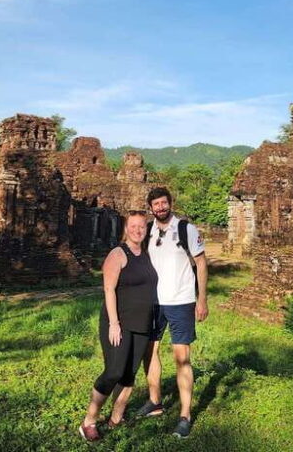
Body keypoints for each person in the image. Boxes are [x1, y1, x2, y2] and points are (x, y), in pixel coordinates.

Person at [136, 187, 208, 439]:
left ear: (170, 203)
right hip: (154, 302)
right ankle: (155, 401)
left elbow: (200, 262)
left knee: (181, 357)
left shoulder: (186, 228)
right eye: (156, 204)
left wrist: (202, 299)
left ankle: (185, 415)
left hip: (180, 300)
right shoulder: (148, 231)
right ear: (151, 207)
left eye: (164, 203)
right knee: (149, 351)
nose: (160, 207)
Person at [80, 211, 158, 442]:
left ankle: (116, 417)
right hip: (119, 323)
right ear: (126, 229)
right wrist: (114, 323)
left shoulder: (146, 254)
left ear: (146, 229)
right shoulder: (118, 253)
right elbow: (108, 289)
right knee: (114, 371)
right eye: (133, 226)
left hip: (142, 323)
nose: (137, 230)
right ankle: (89, 421)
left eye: (141, 226)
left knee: (129, 374)